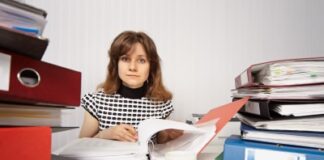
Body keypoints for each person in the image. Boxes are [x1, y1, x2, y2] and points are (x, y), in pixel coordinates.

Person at [79, 31, 182, 143]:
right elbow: (79, 147)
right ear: (115, 64)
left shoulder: (161, 104)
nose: (132, 67)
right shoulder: (96, 101)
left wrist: (166, 136)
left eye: (141, 60)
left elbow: (160, 145)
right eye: (125, 59)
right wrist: (105, 134)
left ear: (151, 67)